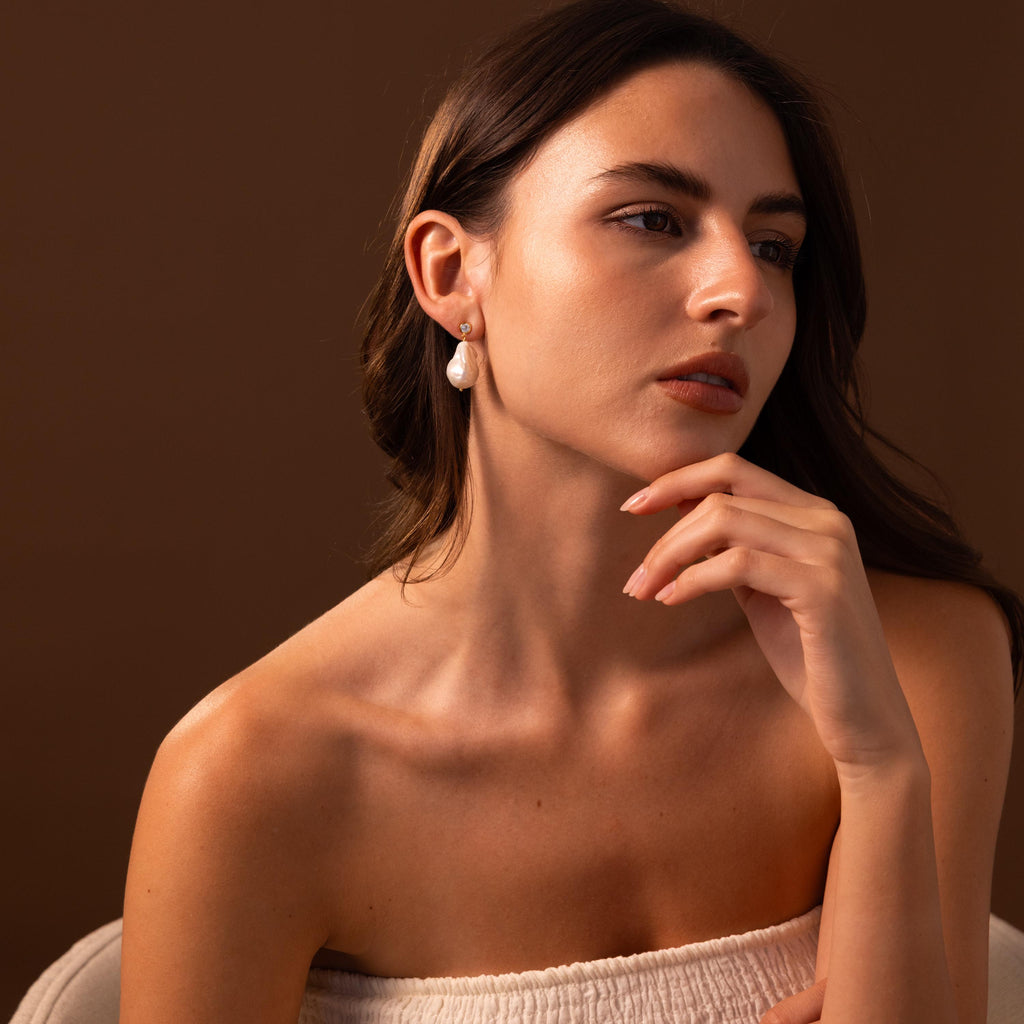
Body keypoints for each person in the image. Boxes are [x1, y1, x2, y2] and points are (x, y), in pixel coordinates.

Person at [118, 1, 1022, 1021]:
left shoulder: (913, 658)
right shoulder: (253, 771)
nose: (741, 291)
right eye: (651, 219)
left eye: (773, 246)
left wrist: (878, 765)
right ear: (452, 273)